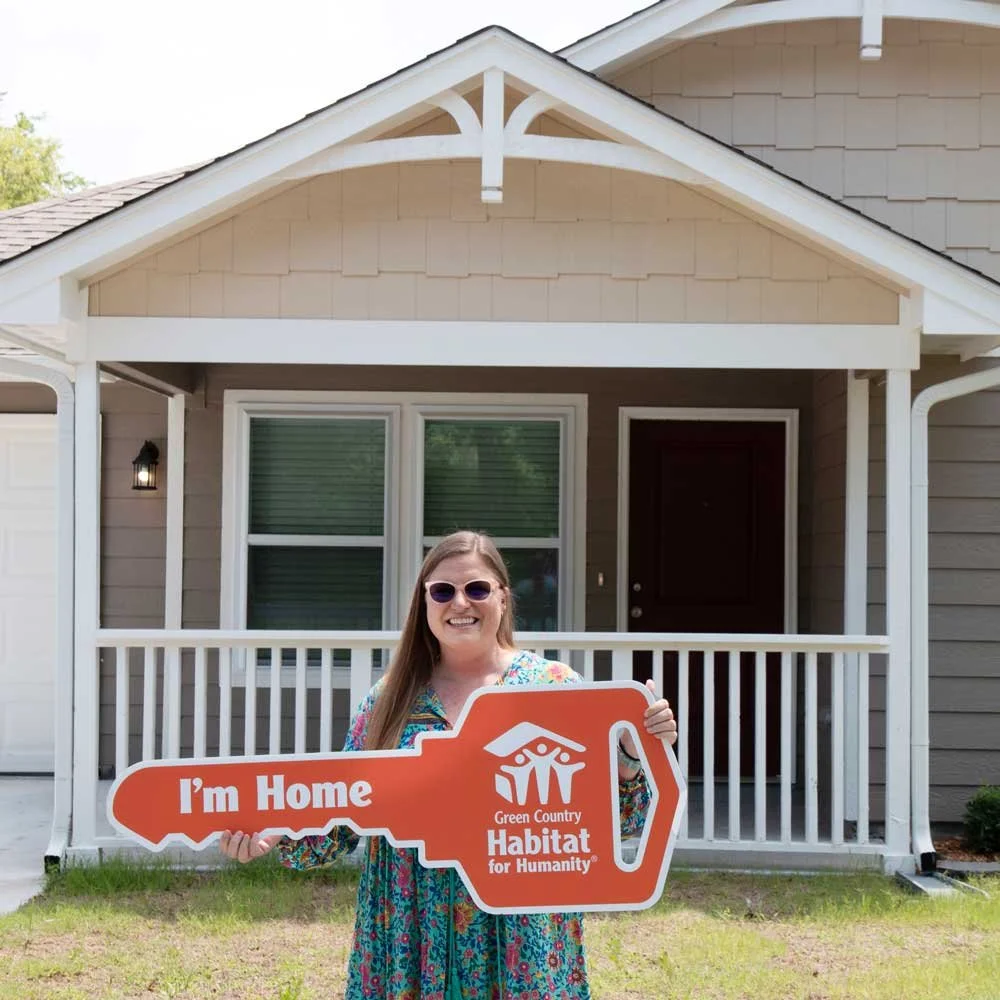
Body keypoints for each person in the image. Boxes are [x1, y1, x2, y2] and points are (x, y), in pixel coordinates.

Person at [220, 530, 678, 1000]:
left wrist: (628, 759)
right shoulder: (387, 703)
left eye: (477, 588)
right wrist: (276, 830)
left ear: (502, 597)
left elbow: (613, 825)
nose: (460, 602)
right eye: (443, 590)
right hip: (410, 932)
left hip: (521, 937)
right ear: (425, 602)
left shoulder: (555, 687)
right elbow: (339, 826)